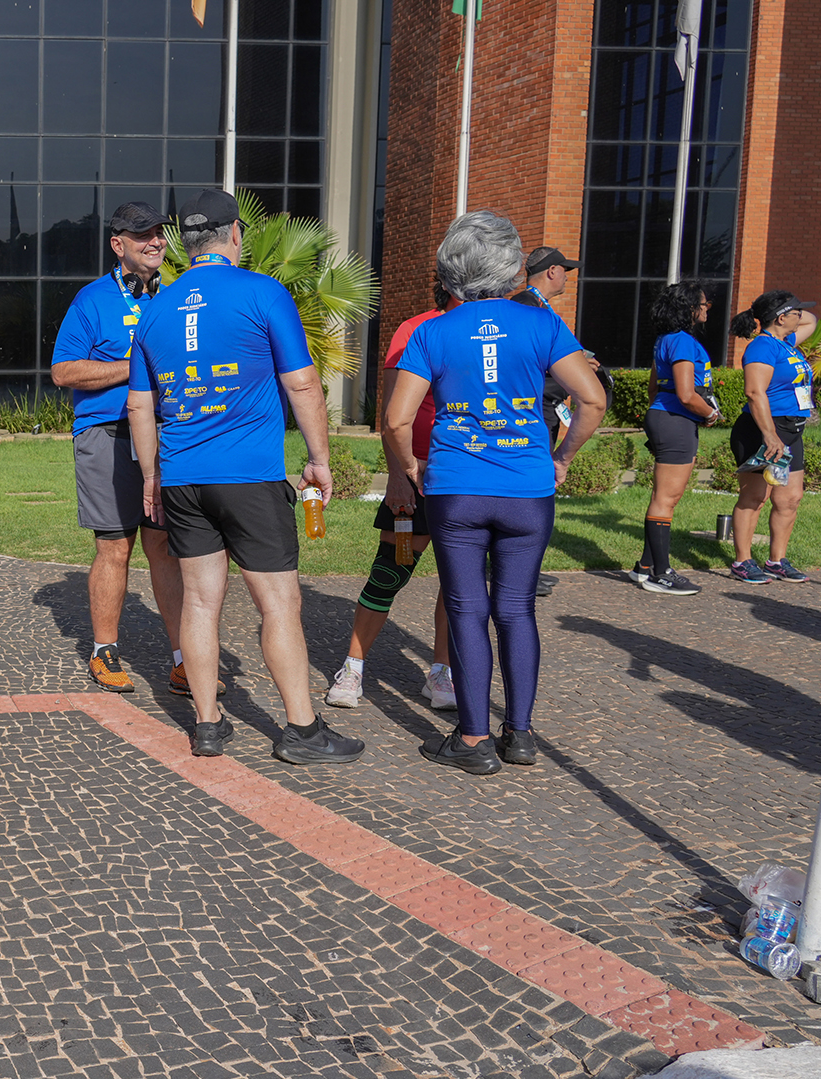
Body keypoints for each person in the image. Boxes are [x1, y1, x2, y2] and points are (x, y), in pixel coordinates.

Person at [125, 187, 364, 766]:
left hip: (183, 478)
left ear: (186, 242)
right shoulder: (263, 291)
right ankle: (303, 731)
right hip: (250, 477)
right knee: (279, 603)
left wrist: (152, 477)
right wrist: (320, 458)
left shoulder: (154, 307)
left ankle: (207, 725)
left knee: (200, 605)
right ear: (237, 235)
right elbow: (302, 382)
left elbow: (139, 405)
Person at [384, 211, 605, 776]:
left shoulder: (432, 331)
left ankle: (474, 738)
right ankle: (521, 734)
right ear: (512, 266)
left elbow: (395, 419)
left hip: (456, 489)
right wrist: (562, 458)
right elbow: (593, 400)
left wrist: (409, 467)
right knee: (516, 608)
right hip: (527, 488)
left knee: (466, 609)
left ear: (451, 269)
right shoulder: (541, 324)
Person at [49, 201, 189, 697]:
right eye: (142, 235)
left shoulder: (177, 299)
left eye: (159, 234)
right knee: (114, 546)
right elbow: (63, 371)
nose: (155, 242)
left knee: (164, 546)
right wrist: (132, 369)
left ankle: (181, 659)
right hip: (106, 433)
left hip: (165, 437)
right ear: (118, 244)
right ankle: (104, 651)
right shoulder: (91, 300)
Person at [324, 281, 456, 712]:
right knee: (391, 570)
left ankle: (441, 671)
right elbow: (392, 414)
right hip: (416, 478)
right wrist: (399, 477)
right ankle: (353, 667)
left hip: (468, 478)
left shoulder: (489, 330)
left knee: (460, 582)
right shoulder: (414, 330)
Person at [511, 246, 603, 597]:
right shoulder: (525, 306)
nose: (568, 276)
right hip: (531, 413)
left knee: (534, 495)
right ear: (551, 271)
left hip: (546, 409)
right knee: (528, 496)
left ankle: (524, 573)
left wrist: (578, 363)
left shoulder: (539, 307)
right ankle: (517, 574)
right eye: (565, 270)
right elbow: (521, 359)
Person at [629, 282, 722, 594]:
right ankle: (661, 573)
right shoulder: (682, 341)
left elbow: (654, 388)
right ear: (689, 308)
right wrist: (709, 413)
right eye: (704, 304)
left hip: (663, 417)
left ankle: (644, 566)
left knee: (663, 495)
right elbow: (685, 394)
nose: (707, 308)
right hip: (676, 420)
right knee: (666, 498)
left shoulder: (665, 340)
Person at [726, 291, 819, 585]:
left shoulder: (786, 343)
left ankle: (776, 561)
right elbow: (755, 393)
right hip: (762, 429)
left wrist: (790, 310)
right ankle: (742, 561)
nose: (800, 316)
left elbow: (812, 321)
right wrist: (769, 435)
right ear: (781, 318)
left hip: (791, 430)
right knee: (755, 497)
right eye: (794, 312)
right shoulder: (762, 348)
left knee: (790, 498)